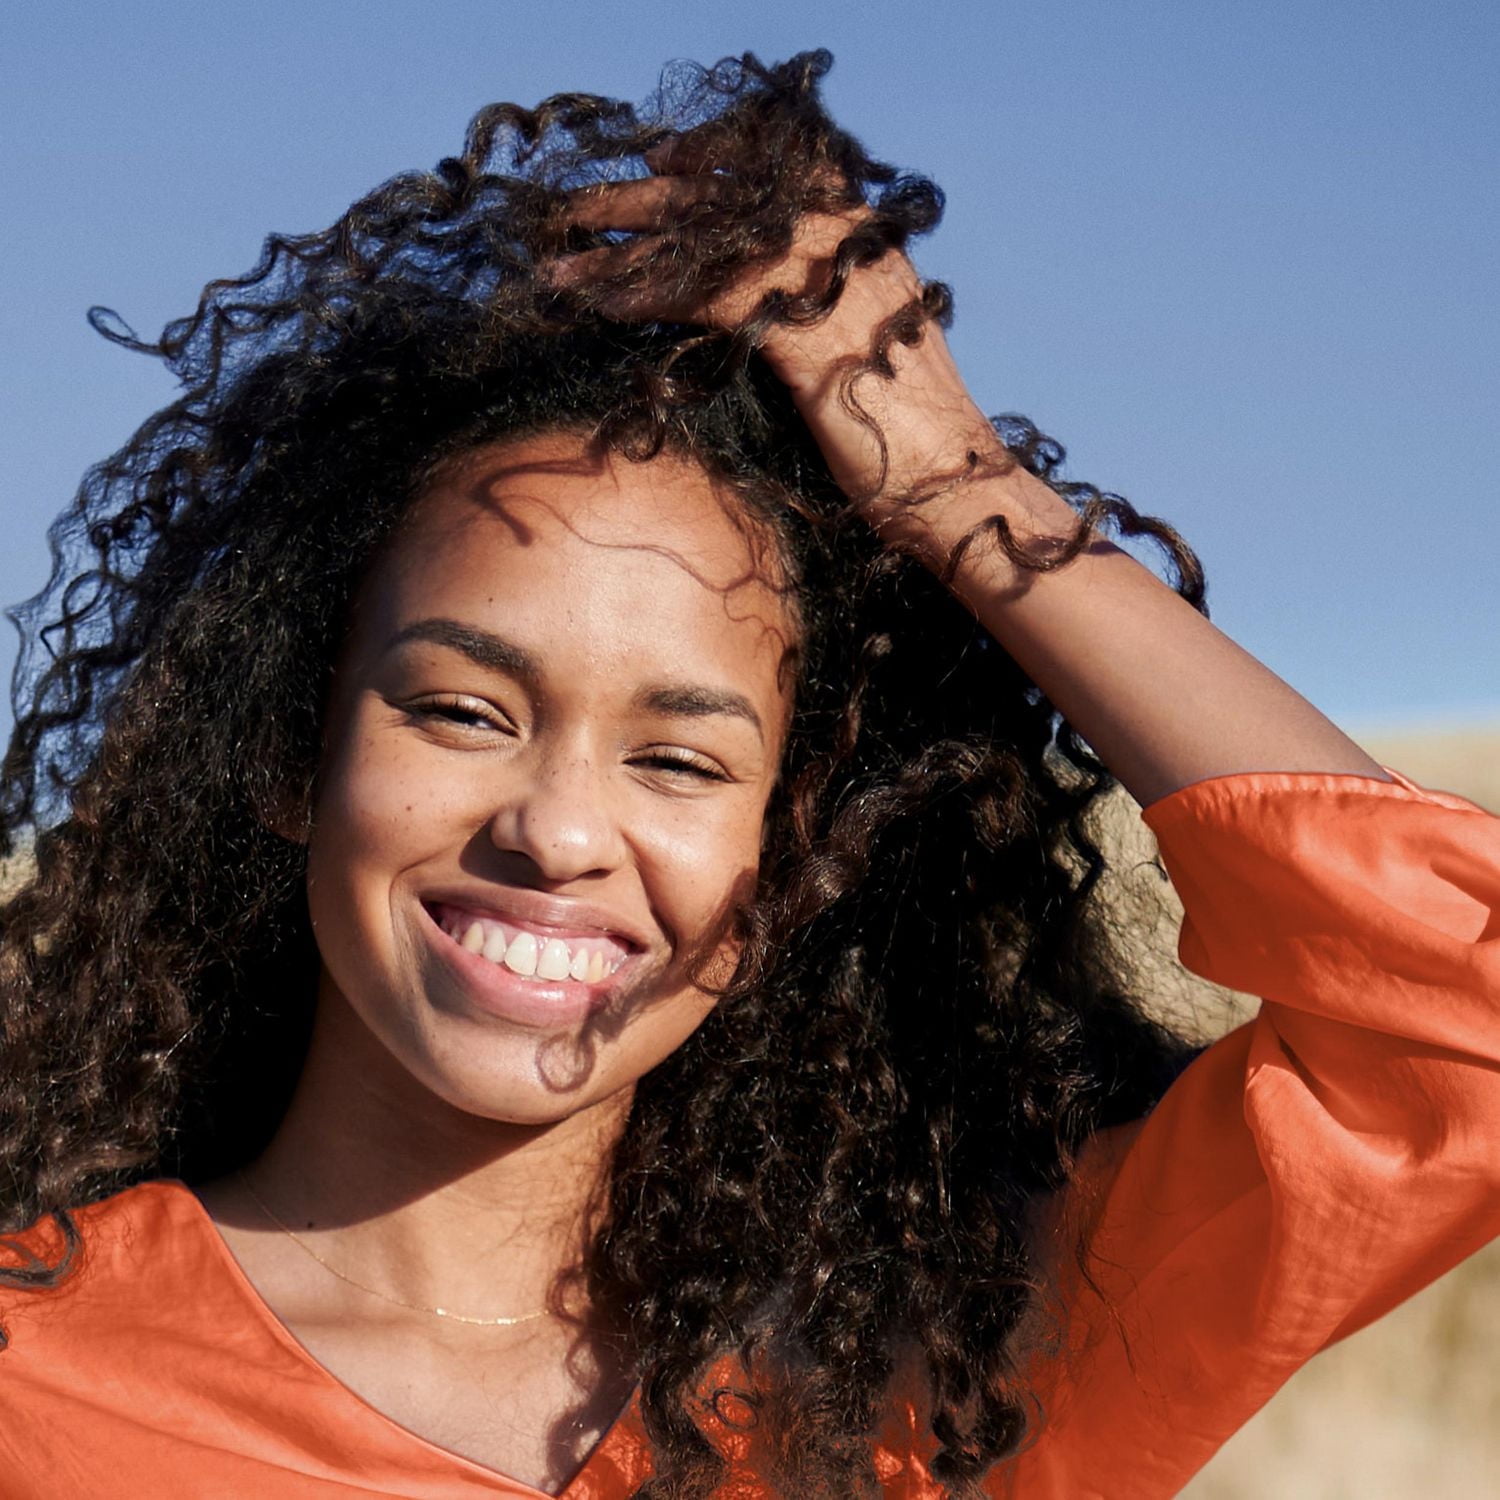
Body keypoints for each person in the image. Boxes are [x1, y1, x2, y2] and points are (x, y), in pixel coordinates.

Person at [0, 48, 1495, 1500]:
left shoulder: (941, 1379)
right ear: (290, 756)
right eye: (461, 711)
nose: (562, 828)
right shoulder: (36, 1374)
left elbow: (1454, 1023)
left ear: (796, 857)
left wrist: (954, 491)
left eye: (678, 758)